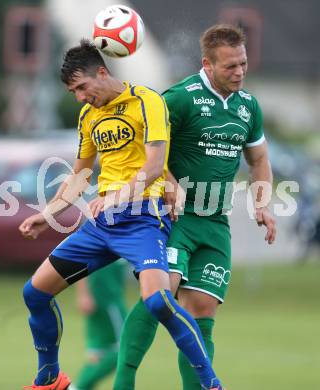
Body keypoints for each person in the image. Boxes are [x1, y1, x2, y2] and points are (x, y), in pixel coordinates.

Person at [19, 39, 225, 390]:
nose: (80, 96)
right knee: (35, 293)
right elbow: (80, 175)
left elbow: (155, 166)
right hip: (103, 224)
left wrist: (115, 196)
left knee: (158, 301)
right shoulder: (88, 116)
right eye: (73, 92)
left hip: (145, 219)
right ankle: (49, 378)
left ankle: (210, 383)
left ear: (102, 72)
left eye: (82, 87)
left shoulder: (148, 101)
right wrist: (48, 213)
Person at [114, 24, 276, 390]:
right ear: (207, 63)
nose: (239, 72)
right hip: (175, 219)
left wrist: (263, 204)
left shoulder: (248, 107)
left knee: (202, 308)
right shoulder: (180, 98)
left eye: (243, 64)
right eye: (230, 66)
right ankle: (123, 382)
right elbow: (146, 148)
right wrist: (169, 183)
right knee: (161, 296)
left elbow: (260, 158)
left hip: (216, 224)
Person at [71, 260, 127, 390]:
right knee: (125, 349)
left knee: (97, 356)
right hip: (107, 301)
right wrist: (83, 294)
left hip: (110, 299)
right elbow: (80, 260)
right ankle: (77, 387)